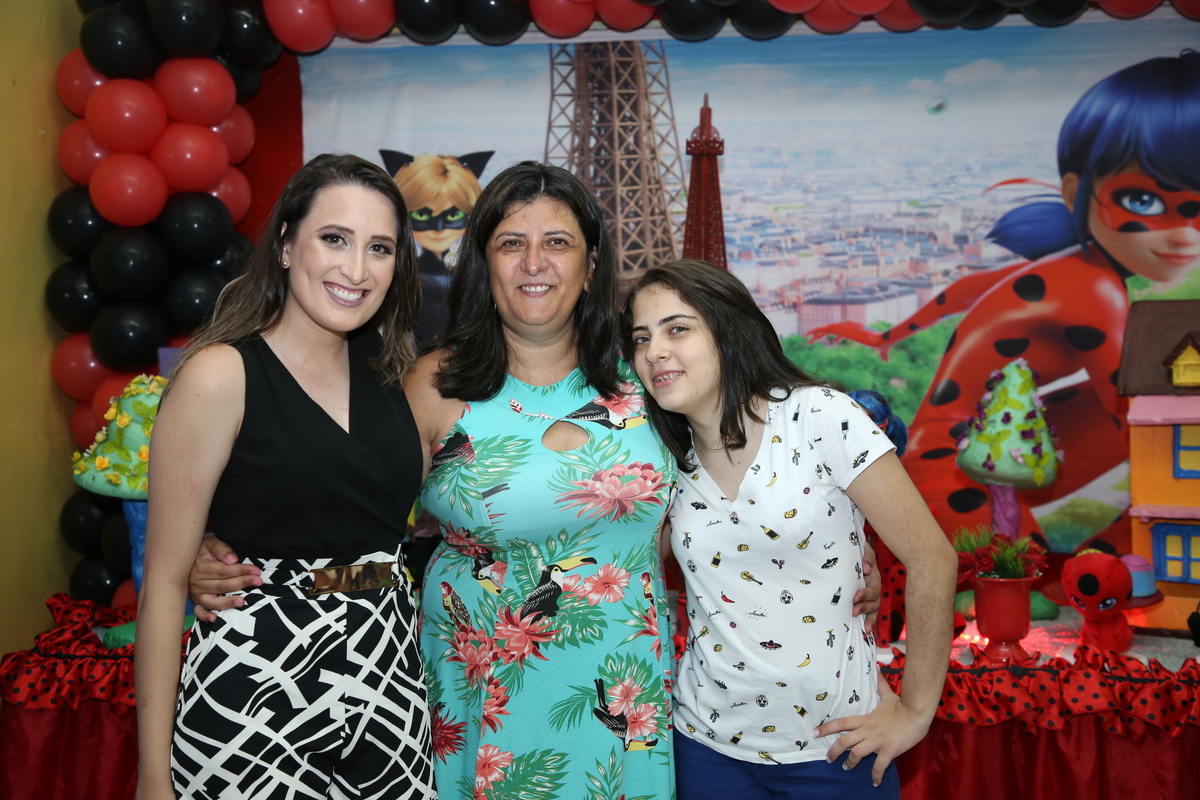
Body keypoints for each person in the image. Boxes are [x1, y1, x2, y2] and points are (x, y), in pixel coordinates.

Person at [188, 162, 882, 798]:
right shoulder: (433, 385)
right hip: (477, 695)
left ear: (591, 264)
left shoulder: (650, 376)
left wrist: (835, 551)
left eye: (557, 243)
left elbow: (737, 480)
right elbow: (342, 503)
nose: (534, 263)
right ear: (483, 262)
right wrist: (214, 548)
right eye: (511, 243)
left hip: (622, 697)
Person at [807, 51, 1200, 556]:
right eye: (1141, 201)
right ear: (1076, 193)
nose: (1182, 234)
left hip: (958, 458)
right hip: (956, 478)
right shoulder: (1095, 289)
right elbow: (1132, 417)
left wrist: (888, 336)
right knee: (1153, 429)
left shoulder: (1068, 269)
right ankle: (1100, 562)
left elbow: (972, 290)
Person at [135, 154, 435, 800]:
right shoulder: (220, 374)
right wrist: (153, 776)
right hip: (256, 687)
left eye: (379, 248)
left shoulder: (393, 376)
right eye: (334, 238)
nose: (356, 270)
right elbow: (162, 581)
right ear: (286, 245)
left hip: (387, 685)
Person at [626, 259, 957, 799]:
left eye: (677, 329)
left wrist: (915, 711)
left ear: (729, 333)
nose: (654, 351)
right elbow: (624, 560)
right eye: (641, 338)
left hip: (834, 746)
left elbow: (932, 559)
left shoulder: (821, 416)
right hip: (705, 746)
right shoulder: (660, 458)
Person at [381, 150, 493, 348]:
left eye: (452, 216)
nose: (438, 229)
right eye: (422, 216)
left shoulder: (480, 271)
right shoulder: (396, 271)